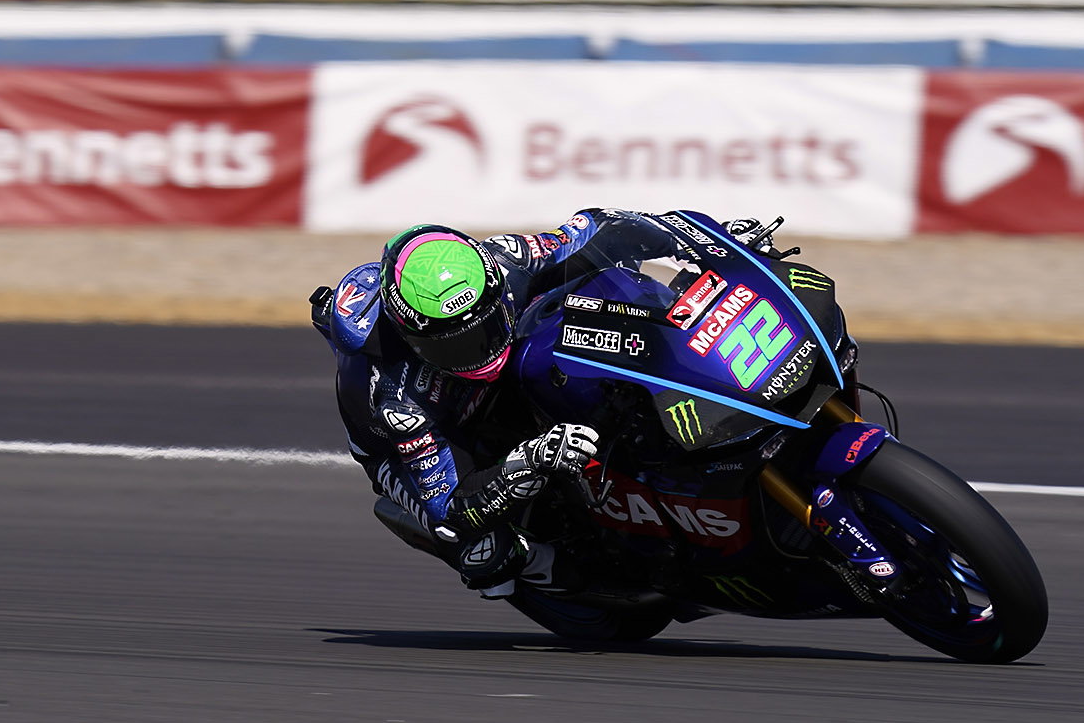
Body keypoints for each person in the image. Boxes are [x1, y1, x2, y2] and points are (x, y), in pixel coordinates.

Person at [311, 209, 775, 600]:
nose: (482, 348)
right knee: (481, 547)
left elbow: (596, 227)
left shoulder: (503, 257)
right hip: (426, 440)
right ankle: (540, 564)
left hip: (514, 375)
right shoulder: (388, 395)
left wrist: (709, 242)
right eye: (458, 345)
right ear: (414, 341)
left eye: (486, 325)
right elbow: (450, 502)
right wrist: (527, 460)